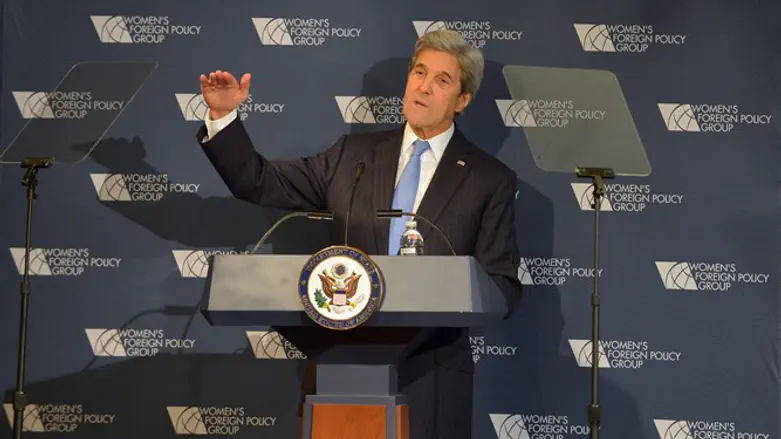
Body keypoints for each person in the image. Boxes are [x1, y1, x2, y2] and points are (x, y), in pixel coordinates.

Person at [196, 29, 522, 439]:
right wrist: (224, 118)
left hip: (433, 374)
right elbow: (258, 182)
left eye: (442, 80)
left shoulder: (489, 179)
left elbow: (503, 285)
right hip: (342, 370)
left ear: (462, 100)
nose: (424, 87)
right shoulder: (352, 156)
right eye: (419, 72)